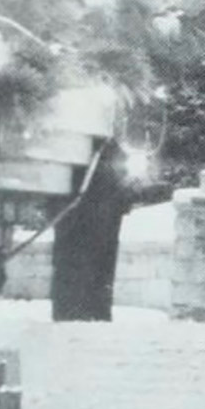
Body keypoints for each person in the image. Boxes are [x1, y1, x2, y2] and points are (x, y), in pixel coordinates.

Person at [51, 137, 134, 322]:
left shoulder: (106, 150)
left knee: (89, 265)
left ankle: (84, 310)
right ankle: (86, 311)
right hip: (89, 220)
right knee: (89, 265)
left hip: (95, 220)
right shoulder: (107, 151)